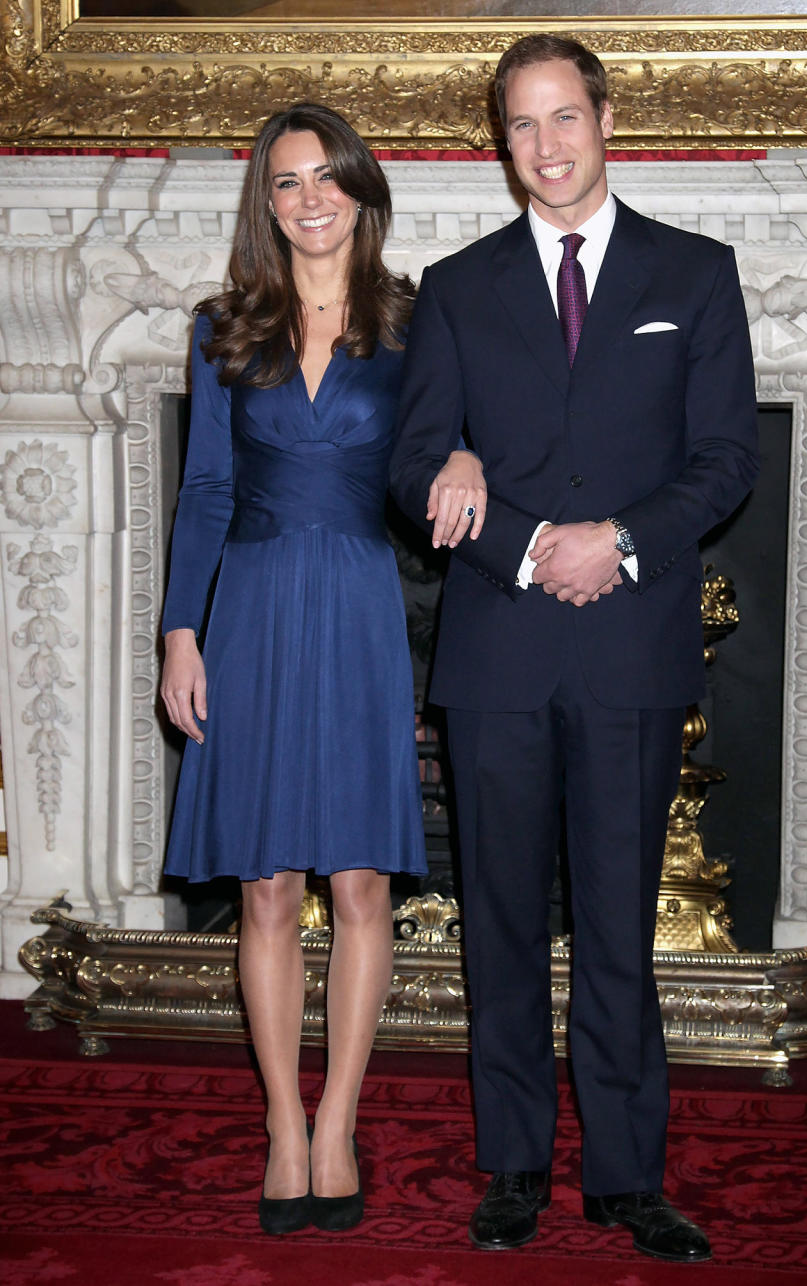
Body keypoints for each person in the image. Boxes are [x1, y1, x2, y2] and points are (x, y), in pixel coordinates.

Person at [389, 36, 759, 1263]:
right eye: (519, 126)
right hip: (496, 652)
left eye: (563, 118)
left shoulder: (695, 275)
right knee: (497, 919)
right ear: (500, 144)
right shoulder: (454, 286)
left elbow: (726, 462)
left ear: (605, 119)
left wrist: (621, 543)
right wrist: (522, 530)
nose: (544, 147)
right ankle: (511, 1166)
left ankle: (625, 1174)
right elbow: (416, 459)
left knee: (615, 920)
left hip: (632, 648)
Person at [159, 103, 485, 1237]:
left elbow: (439, 448)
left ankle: (338, 1118)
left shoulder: (414, 322)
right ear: (269, 199)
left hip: (354, 603)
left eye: (327, 177)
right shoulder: (223, 330)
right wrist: (178, 632)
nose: (310, 199)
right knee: (263, 884)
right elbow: (204, 490)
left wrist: (465, 453)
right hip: (246, 607)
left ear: (360, 189)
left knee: (356, 883)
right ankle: (282, 1126)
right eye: (288, 181)